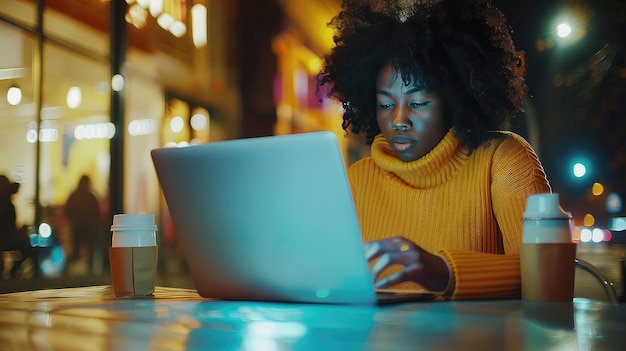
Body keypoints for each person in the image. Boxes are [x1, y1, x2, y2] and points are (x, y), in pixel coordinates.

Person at [317, 0, 551, 299]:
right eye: (386, 104)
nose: (399, 120)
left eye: (418, 103)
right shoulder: (356, 180)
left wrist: (444, 271)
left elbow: (546, 276)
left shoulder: (503, 160)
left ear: (453, 100)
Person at [65, 175, 100, 274]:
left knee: (75, 250)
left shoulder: (74, 196)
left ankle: (70, 272)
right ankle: (89, 271)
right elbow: (96, 213)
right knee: (90, 250)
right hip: (88, 228)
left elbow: (68, 211)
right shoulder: (91, 197)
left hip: (77, 227)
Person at [0, 174, 31, 279]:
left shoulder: (9, 206)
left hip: (7, 238)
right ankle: (11, 272)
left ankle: (13, 271)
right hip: (5, 238)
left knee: (28, 246)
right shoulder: (8, 206)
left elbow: (11, 226)